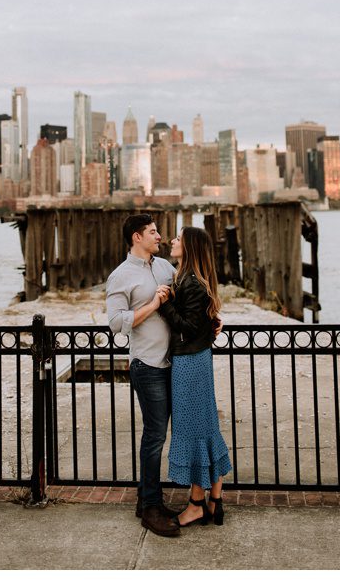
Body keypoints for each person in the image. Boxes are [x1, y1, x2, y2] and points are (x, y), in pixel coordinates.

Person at [105, 213, 182, 538]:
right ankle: (149, 506)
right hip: (147, 366)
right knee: (154, 436)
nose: (159, 236)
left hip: (173, 364)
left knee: (165, 434)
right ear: (137, 237)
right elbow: (115, 322)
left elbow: (187, 296)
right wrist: (152, 305)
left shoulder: (165, 267)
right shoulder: (120, 276)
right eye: (153, 232)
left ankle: (148, 500)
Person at [160, 227, 233, 527]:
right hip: (196, 359)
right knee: (204, 428)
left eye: (178, 239)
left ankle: (196, 504)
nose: (172, 241)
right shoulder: (189, 279)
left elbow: (188, 326)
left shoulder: (191, 283)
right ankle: (214, 499)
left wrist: (164, 305)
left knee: (191, 431)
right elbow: (202, 322)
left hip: (189, 363)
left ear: (189, 247)